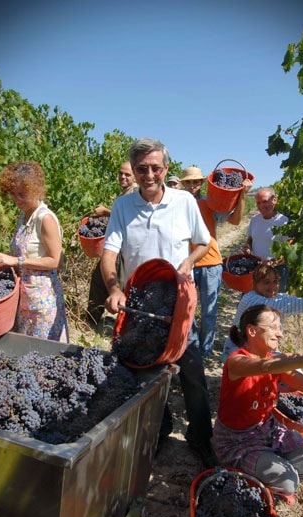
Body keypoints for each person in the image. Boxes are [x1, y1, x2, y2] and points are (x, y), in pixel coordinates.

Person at [100, 137, 218, 468]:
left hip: (178, 305)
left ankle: (200, 436)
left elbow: (204, 241)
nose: (149, 174)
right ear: (134, 172)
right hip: (139, 304)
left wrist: (188, 262)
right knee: (147, 375)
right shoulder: (123, 206)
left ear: (166, 169)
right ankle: (160, 430)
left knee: (192, 372)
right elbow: (109, 254)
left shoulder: (183, 202)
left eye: (155, 167)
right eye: (142, 169)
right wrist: (113, 287)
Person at [213, 304, 303, 503]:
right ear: (252, 330)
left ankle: (269, 470)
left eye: (281, 329)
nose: (280, 335)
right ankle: (246, 475)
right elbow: (269, 365)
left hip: (268, 431)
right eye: (274, 327)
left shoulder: (275, 362)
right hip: (237, 440)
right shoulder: (237, 362)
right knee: (288, 483)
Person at [0, 160, 69, 342]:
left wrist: (16, 261)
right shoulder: (24, 216)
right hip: (24, 298)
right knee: (24, 349)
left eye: (23, 195)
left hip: (42, 302)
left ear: (37, 189)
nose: (17, 200)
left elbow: (57, 261)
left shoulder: (45, 218)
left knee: (42, 353)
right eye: (14, 195)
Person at [180, 165, 253, 357]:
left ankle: (205, 351)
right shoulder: (177, 204)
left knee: (209, 312)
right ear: (183, 184)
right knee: (186, 310)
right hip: (186, 264)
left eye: (196, 181)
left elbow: (235, 221)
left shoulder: (209, 204)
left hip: (211, 264)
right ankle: (191, 348)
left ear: (202, 183)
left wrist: (242, 196)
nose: (193, 185)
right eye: (189, 182)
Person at [222, 263, 303, 359]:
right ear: (255, 283)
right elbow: (301, 305)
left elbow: (288, 300)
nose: (272, 287)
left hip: (257, 348)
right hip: (236, 352)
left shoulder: (275, 297)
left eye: (275, 282)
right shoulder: (253, 300)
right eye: (266, 282)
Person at [87, 161, 137, 325]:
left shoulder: (135, 194)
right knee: (102, 281)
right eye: (121, 173)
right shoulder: (125, 194)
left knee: (112, 283)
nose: (122, 177)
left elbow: (129, 219)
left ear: (135, 176)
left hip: (122, 252)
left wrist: (106, 212)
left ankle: (104, 322)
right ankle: (94, 319)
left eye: (127, 174)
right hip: (116, 249)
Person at [242, 187, 290, 291]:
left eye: (264, 202)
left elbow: (289, 251)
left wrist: (274, 263)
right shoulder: (255, 220)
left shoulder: (284, 222)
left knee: (275, 303)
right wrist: (248, 246)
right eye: (258, 203)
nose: (261, 206)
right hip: (256, 268)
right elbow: (250, 239)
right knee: (254, 302)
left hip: (277, 271)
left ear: (274, 200)